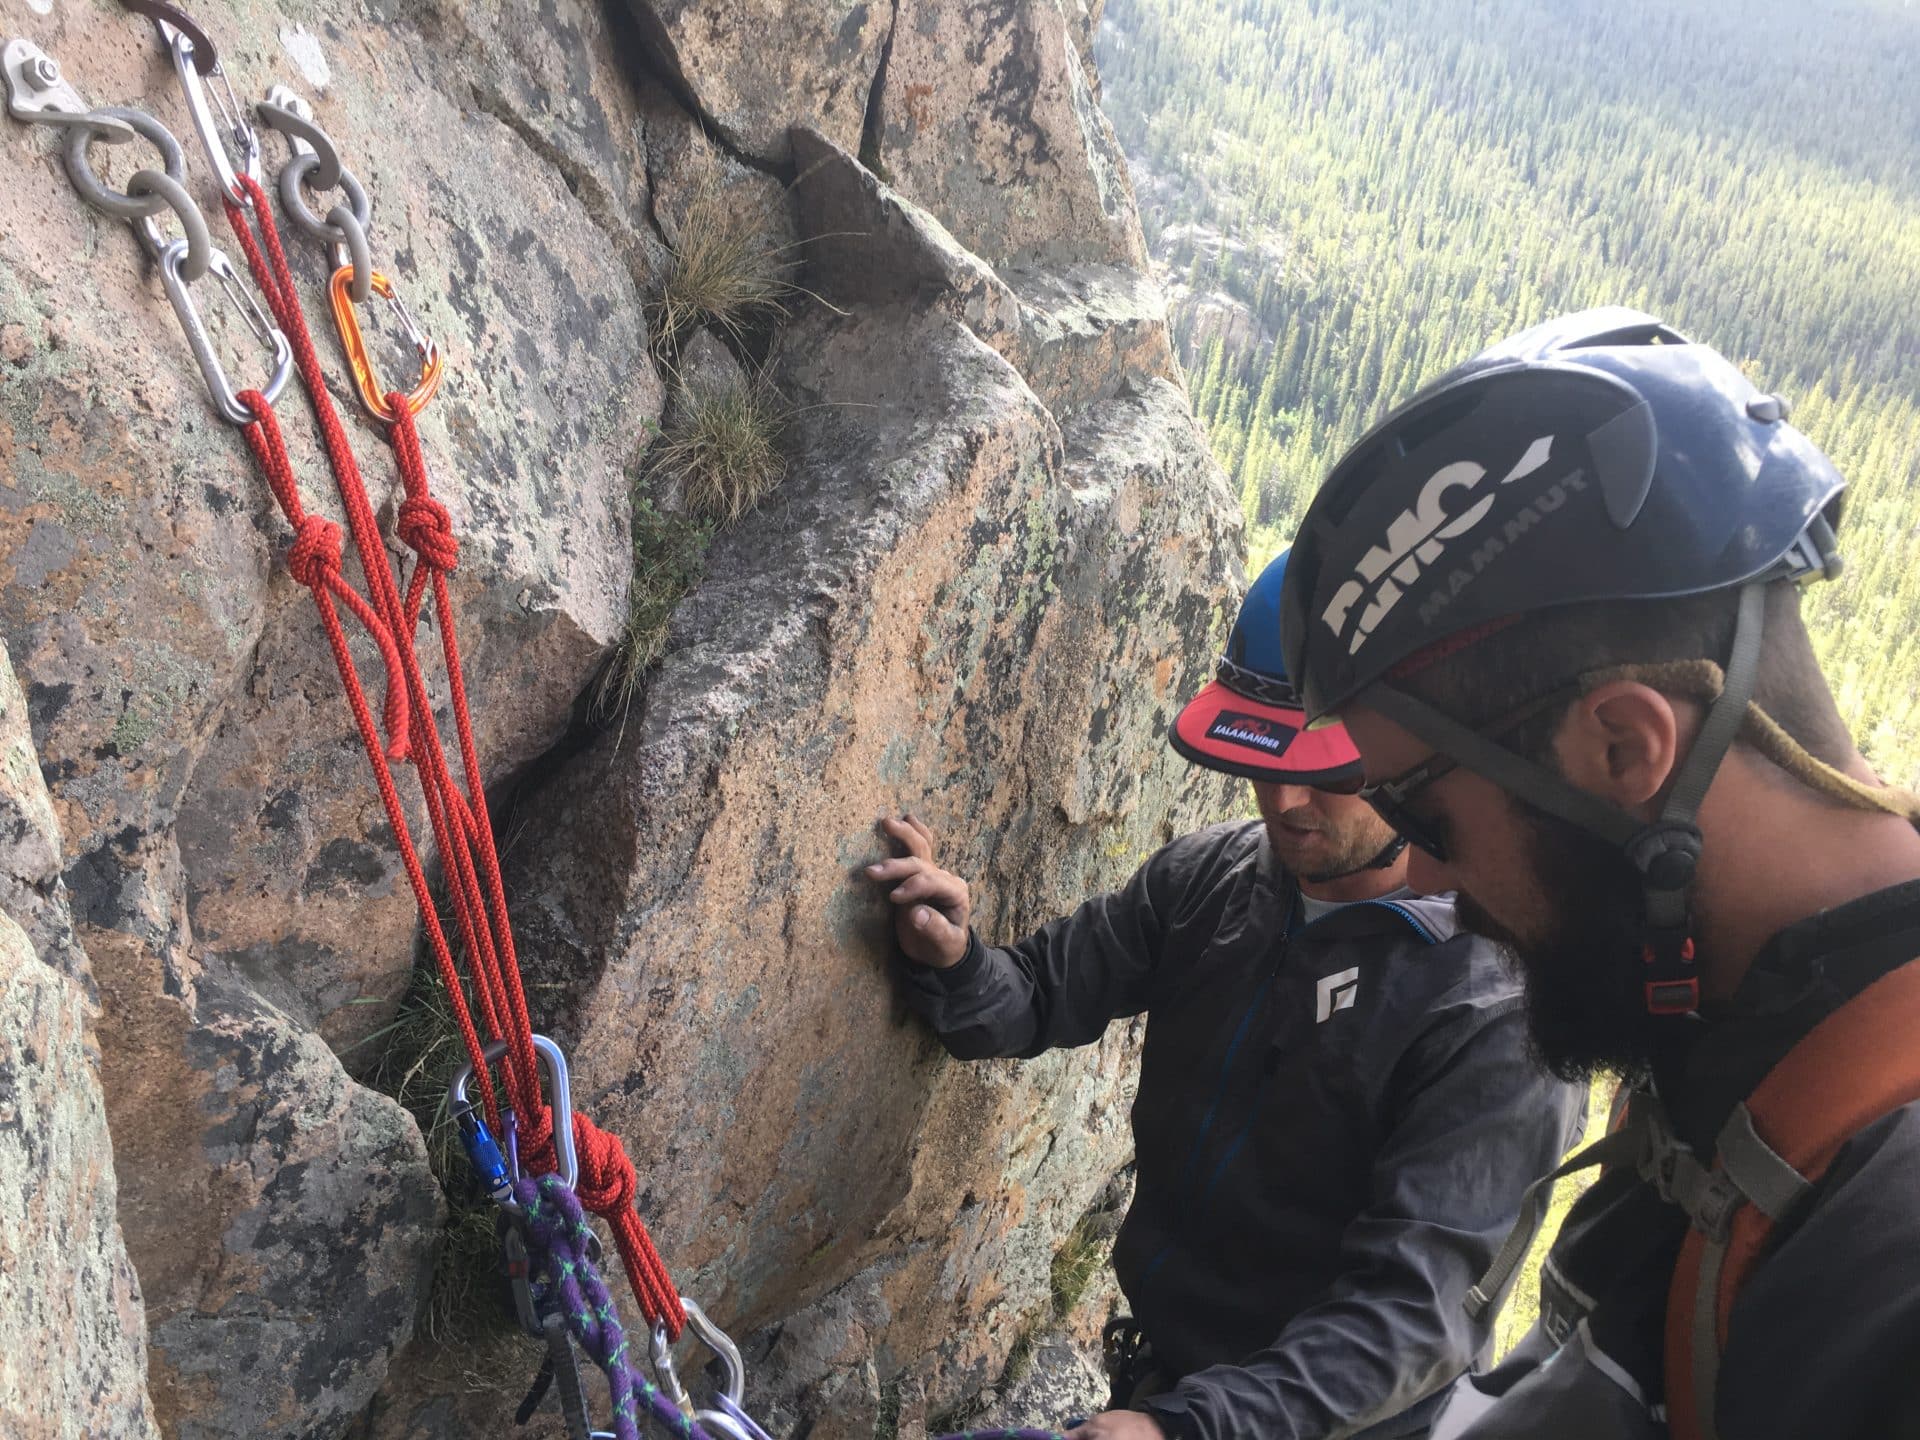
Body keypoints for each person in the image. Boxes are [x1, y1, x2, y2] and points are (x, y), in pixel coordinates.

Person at [1277, 307, 1920, 1440]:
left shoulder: (1886, 1249)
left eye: (1423, 811)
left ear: (1624, 751)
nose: (1421, 873)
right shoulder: (1713, 1014)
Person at [867, 550, 1584, 1440]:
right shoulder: (1216, 879)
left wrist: (1190, 1428)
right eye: (1262, 760)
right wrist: (955, 960)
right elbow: (1040, 993)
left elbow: (1409, 1316)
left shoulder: (1491, 1011)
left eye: (1327, 771)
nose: (1285, 804)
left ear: (1419, 759)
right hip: (1167, 1387)